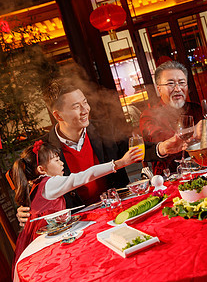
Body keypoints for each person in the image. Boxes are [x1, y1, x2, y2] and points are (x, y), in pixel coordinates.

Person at [16, 78, 182, 226]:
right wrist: (25, 210)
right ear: (58, 116)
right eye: (76, 107)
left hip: (118, 211)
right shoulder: (43, 149)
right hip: (77, 224)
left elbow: (133, 149)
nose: (85, 110)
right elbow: (34, 188)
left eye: (85, 102)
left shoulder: (104, 129)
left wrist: (163, 147)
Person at [12, 140, 142, 266]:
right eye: (56, 160)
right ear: (41, 169)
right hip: (44, 240)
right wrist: (119, 163)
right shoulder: (50, 183)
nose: (61, 163)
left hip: (37, 237)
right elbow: (85, 176)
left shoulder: (37, 186)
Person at [139, 61, 203, 175]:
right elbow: (160, 139)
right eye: (170, 84)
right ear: (159, 89)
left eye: (182, 83)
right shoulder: (149, 116)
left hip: (203, 169)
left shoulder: (196, 109)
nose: (178, 89)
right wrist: (194, 131)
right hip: (170, 178)